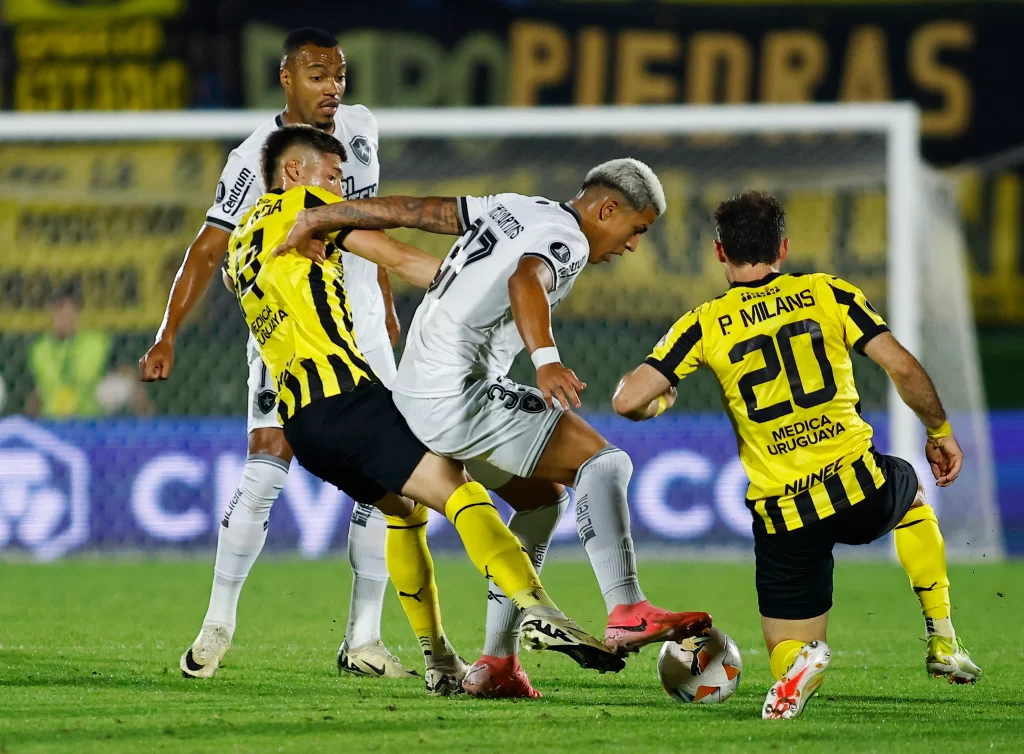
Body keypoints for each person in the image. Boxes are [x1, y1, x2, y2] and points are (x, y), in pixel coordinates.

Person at [271, 159, 714, 698]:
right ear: (607, 208)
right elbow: (526, 277)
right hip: (457, 395)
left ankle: (497, 665)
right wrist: (546, 359)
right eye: (636, 230)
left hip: (417, 390)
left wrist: (326, 215)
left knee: (542, 500)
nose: (631, 246)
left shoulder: (513, 206)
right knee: (604, 462)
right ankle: (626, 607)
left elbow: (417, 211)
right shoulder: (567, 238)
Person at [225, 124, 620, 694]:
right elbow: (400, 255)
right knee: (458, 490)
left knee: (406, 513)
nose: (341, 189)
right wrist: (464, 289)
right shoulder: (304, 208)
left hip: (302, 424)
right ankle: (537, 608)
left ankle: (439, 663)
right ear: (295, 174)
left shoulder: (242, 240)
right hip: (347, 399)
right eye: (333, 177)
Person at [611, 190, 982, 720]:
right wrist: (939, 430)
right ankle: (943, 639)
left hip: (784, 513)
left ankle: (801, 663)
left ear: (720, 254)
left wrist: (660, 404)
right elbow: (902, 367)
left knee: (786, 644)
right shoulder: (827, 292)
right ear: (782, 247)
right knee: (911, 491)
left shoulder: (703, 323)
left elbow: (627, 399)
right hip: (858, 483)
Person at [138, 28, 413, 679]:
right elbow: (209, 248)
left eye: (340, 75)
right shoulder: (251, 158)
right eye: (319, 76)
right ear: (285, 78)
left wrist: (388, 305)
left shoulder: (363, 127)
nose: (333, 88)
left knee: (388, 475)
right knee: (267, 463)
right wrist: (167, 333)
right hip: (289, 326)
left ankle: (363, 639)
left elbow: (368, 219)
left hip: (364, 321)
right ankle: (216, 626)